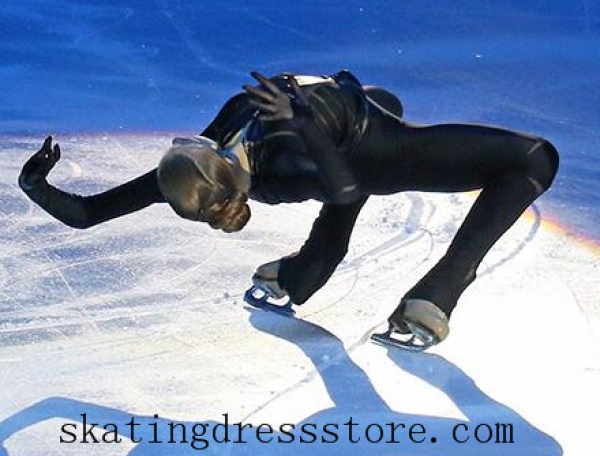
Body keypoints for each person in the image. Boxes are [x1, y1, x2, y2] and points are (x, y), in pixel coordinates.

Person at [18, 70, 559, 350]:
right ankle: (436, 294)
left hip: (349, 117)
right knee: (535, 159)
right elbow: (344, 190)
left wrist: (34, 184)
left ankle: (303, 273)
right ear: (217, 165)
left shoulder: (208, 152)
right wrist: (301, 121)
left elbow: (87, 213)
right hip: (372, 154)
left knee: (385, 97)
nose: (191, 140)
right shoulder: (285, 168)